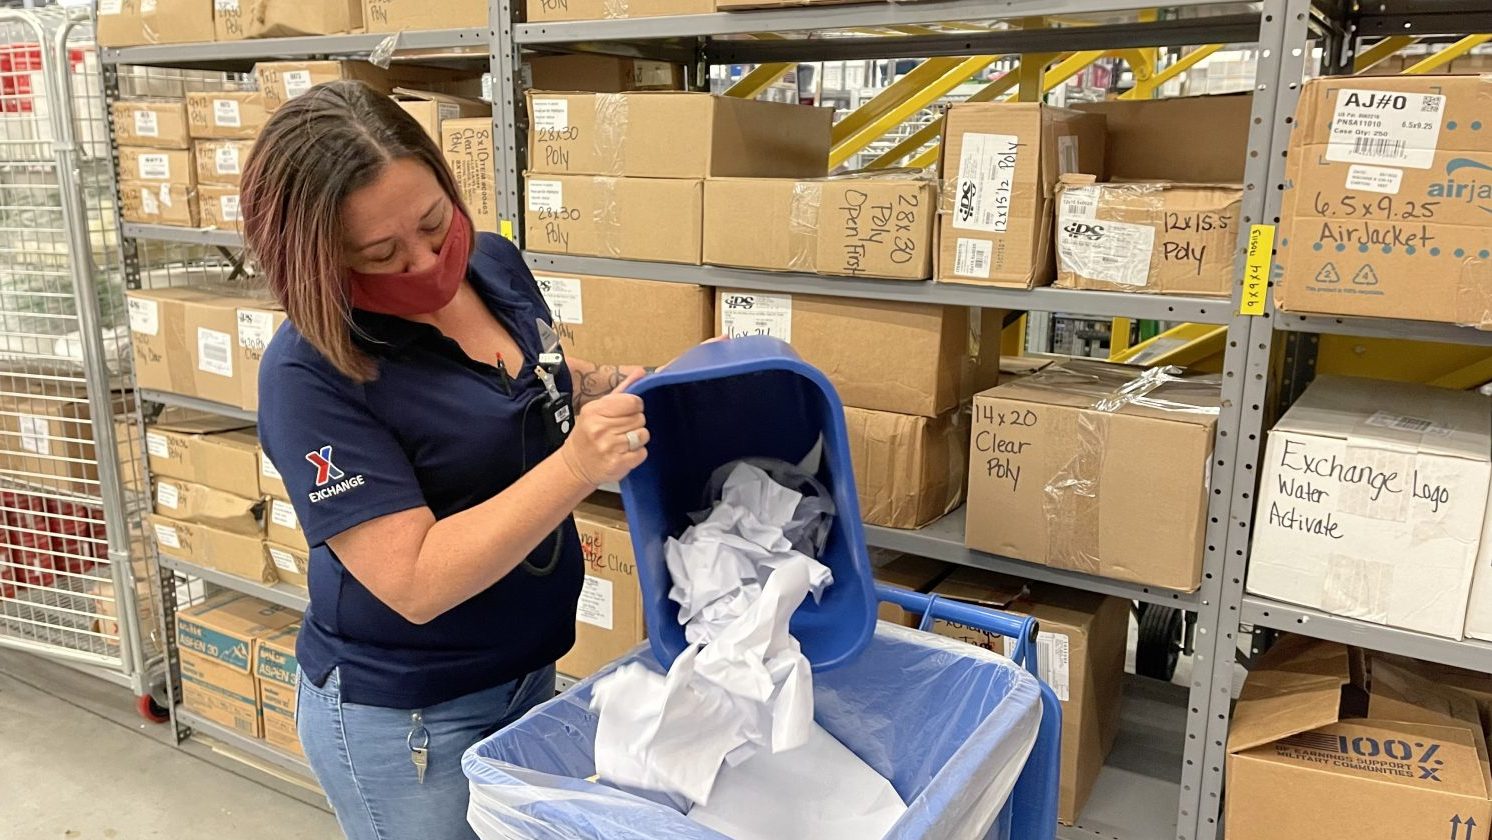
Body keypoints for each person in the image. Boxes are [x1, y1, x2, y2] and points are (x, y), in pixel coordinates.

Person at [242, 80, 655, 840]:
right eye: (382, 253)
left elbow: (539, 375)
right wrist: (575, 467)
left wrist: (620, 385)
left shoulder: (493, 266)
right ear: (318, 257)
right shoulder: (308, 374)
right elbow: (416, 581)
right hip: (412, 722)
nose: (429, 261)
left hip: (528, 672)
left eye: (435, 223)